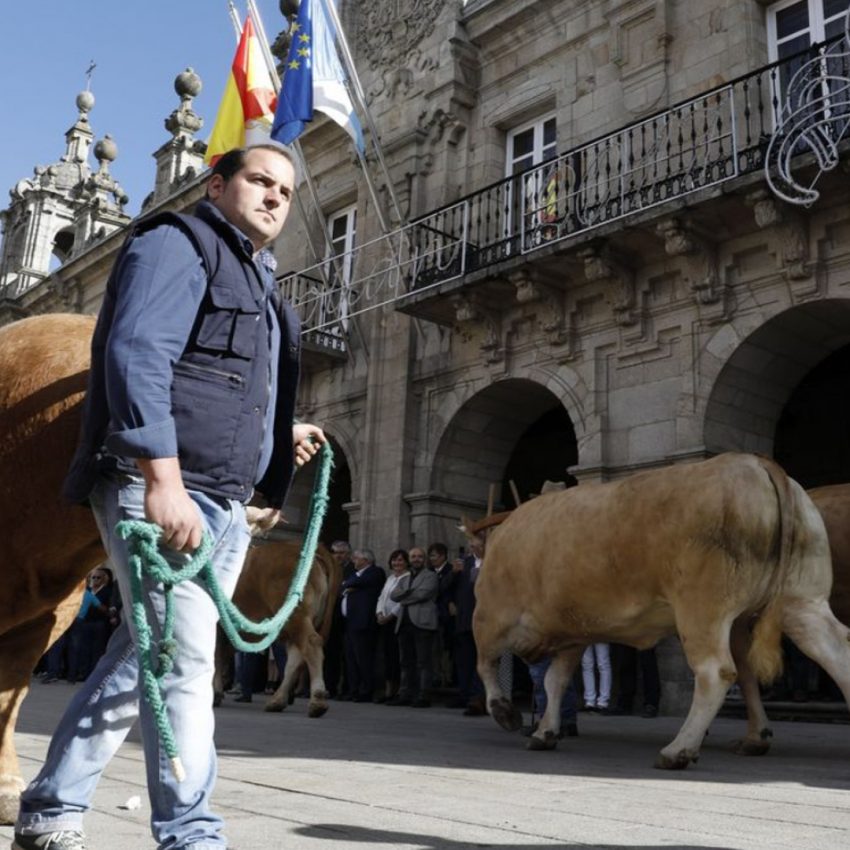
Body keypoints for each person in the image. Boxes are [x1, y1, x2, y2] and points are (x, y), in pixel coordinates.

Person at [14, 144, 325, 850]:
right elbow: (136, 354)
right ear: (216, 184)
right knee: (183, 663)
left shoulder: (265, 290)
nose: (275, 197)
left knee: (142, 660)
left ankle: (51, 807)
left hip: (223, 500)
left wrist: (281, 438)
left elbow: (230, 389)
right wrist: (162, 479)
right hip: (157, 485)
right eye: (259, 181)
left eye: (285, 189)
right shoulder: (177, 244)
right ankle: (192, 834)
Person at [390, 546, 439, 707]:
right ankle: (405, 694)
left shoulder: (430, 576)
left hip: (422, 623)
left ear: (423, 559)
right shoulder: (404, 578)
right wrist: (408, 594)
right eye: (413, 556)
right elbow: (393, 595)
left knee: (423, 662)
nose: (416, 559)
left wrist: (405, 596)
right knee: (405, 661)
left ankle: (424, 696)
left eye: (419, 556)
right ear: (409, 559)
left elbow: (423, 594)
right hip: (403, 623)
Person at [340, 548, 385, 702]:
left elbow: (352, 583)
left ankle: (366, 690)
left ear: (366, 560)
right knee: (351, 659)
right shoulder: (356, 574)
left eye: (357, 558)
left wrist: (348, 585)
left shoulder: (375, 571)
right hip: (349, 623)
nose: (354, 561)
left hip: (363, 623)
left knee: (363, 659)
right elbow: (344, 586)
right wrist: (348, 585)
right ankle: (353, 690)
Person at [451, 538, 486, 715]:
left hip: (485, 619)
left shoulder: (492, 560)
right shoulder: (465, 563)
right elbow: (447, 587)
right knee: (465, 660)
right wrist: (454, 573)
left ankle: (478, 698)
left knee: (482, 660)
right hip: (465, 618)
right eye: (471, 546)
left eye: (478, 545)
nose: (474, 549)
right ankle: (464, 694)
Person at [374, 549, 410, 702]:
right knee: (387, 656)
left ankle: (397, 690)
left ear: (406, 562)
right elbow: (382, 597)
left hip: (398, 621)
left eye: (401, 560)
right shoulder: (390, 578)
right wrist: (379, 613)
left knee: (397, 656)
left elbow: (403, 601)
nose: (397, 563)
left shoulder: (408, 577)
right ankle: (388, 690)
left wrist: (390, 616)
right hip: (384, 621)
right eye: (395, 560)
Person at [323, 540, 354, 699]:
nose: (338, 556)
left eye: (341, 553)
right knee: (330, 654)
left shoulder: (353, 569)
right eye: (335, 552)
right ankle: (330, 687)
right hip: (331, 618)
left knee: (348, 656)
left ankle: (348, 688)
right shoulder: (328, 569)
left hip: (348, 619)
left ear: (348, 554)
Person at [428, 542, 457, 694]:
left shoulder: (452, 570)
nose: (432, 559)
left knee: (447, 648)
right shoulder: (429, 571)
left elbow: (443, 588)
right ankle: (437, 676)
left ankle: (448, 677)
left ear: (443, 556)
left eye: (434, 556)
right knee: (434, 648)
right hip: (433, 615)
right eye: (431, 556)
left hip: (448, 616)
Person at [580, 643, 612, 712]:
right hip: (586, 633)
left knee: (602, 664)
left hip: (598, 633)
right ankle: (590, 701)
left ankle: (602, 701)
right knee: (587, 664)